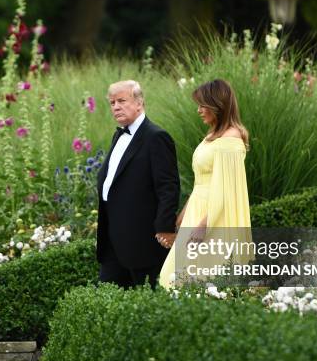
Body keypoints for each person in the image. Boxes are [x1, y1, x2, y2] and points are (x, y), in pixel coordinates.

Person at [159, 79, 252, 290]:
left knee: (197, 278)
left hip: (214, 217)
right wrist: (182, 216)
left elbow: (229, 191)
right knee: (176, 276)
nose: (199, 110)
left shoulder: (231, 139)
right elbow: (201, 182)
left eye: (203, 105)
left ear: (218, 105)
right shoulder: (211, 136)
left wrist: (203, 225)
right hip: (198, 211)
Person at [96, 80, 180, 289]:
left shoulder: (156, 137)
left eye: (122, 100)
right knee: (108, 297)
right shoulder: (119, 135)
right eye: (112, 102)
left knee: (151, 300)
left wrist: (164, 228)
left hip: (144, 242)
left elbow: (168, 187)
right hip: (113, 239)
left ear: (139, 102)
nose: (116, 106)